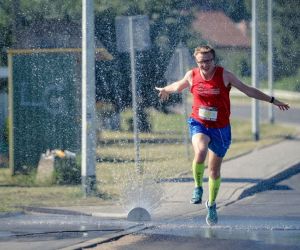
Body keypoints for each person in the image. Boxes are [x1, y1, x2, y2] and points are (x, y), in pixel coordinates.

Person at [155, 45, 290, 226]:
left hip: (220, 128)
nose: (205, 64)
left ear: (214, 60)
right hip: (199, 123)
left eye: (208, 60)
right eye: (201, 61)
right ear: (197, 62)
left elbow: (247, 89)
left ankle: (211, 204)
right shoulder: (192, 75)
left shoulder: (225, 75)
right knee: (200, 151)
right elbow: (177, 86)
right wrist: (165, 89)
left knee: (214, 170)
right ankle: (197, 187)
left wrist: (273, 100)